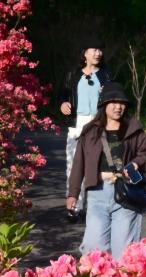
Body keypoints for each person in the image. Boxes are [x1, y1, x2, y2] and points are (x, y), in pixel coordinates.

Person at [66, 82, 146, 260]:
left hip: (126, 192)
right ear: (103, 104)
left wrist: (136, 164)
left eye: (122, 103)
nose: (118, 107)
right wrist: (73, 193)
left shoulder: (134, 129)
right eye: (113, 102)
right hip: (97, 194)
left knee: (124, 253)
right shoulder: (90, 131)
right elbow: (79, 163)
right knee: (93, 249)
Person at [58, 41, 112, 220]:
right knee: (73, 166)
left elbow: (114, 98)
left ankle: (99, 207)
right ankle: (75, 207)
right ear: (85, 53)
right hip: (78, 123)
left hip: (98, 123)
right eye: (94, 50)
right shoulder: (73, 75)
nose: (98, 53)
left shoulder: (106, 75)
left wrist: (106, 94)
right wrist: (63, 103)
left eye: (100, 50)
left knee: (100, 166)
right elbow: (63, 94)